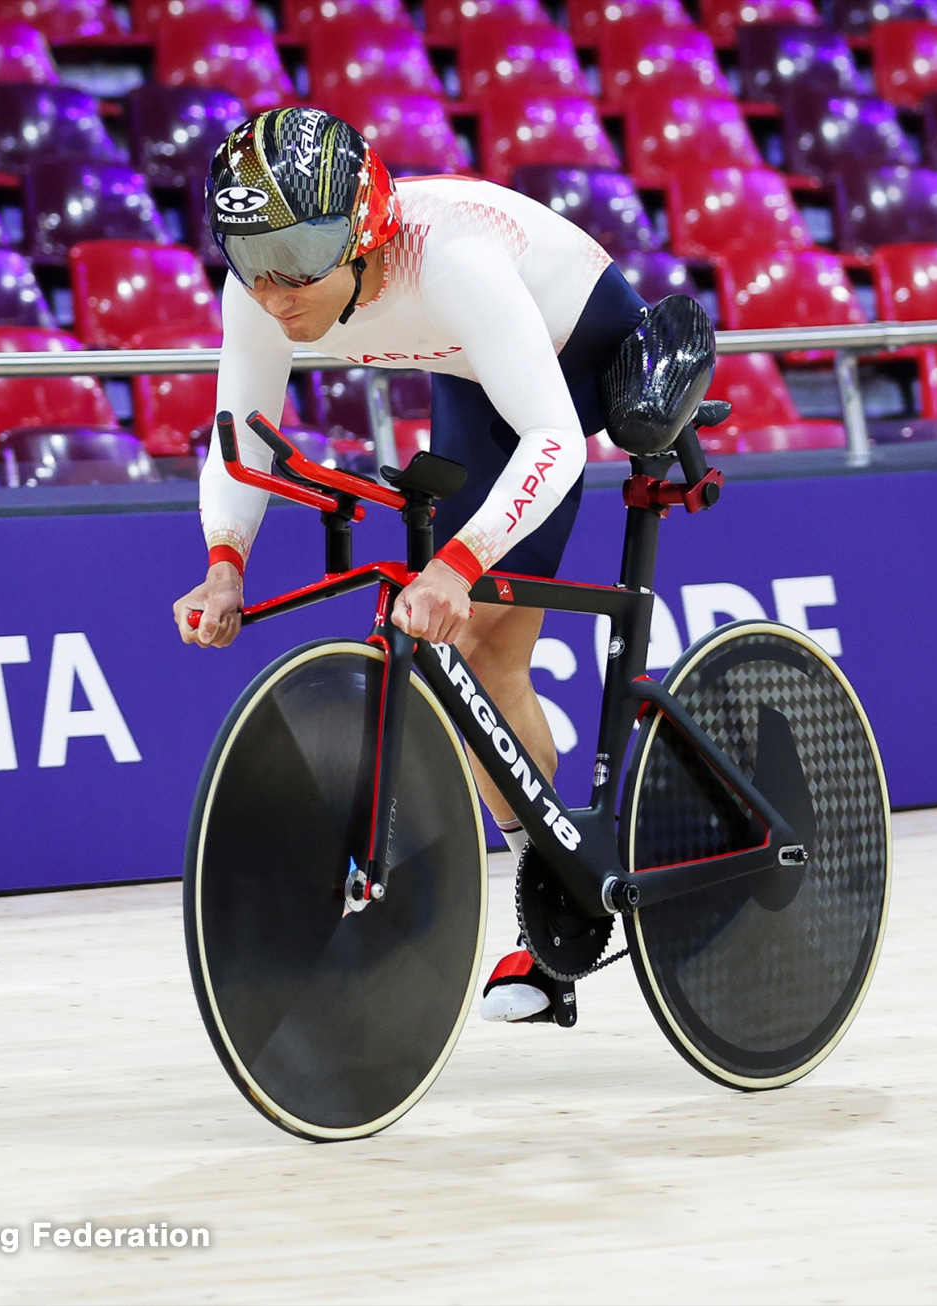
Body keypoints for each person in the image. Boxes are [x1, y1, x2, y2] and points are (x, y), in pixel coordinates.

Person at [172, 108, 647, 1027]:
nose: (276, 290)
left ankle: (554, 917)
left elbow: (556, 440)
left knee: (472, 634)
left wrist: (459, 563)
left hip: (574, 341)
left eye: (303, 252)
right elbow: (241, 448)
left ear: (366, 226)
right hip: (471, 367)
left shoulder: (454, 261)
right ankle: (560, 903)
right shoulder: (267, 292)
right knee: (476, 664)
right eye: (250, 255)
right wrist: (225, 565)